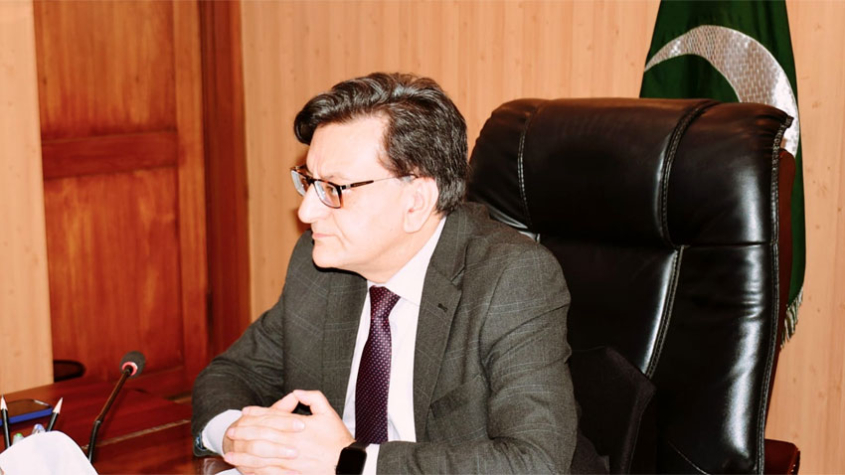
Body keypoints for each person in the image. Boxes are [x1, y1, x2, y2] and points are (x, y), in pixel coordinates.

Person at [192, 72, 578, 474]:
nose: (307, 212)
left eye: (334, 188)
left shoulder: (511, 278)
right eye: (309, 181)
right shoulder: (320, 265)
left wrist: (354, 462)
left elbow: (536, 461)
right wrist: (238, 437)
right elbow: (231, 374)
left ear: (416, 201)